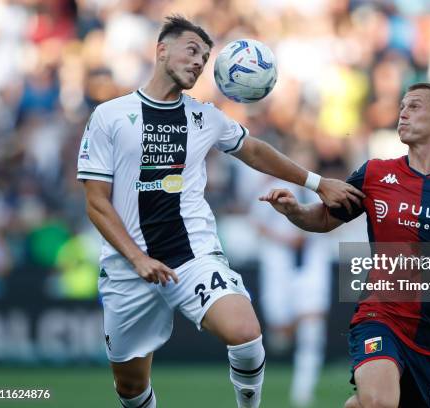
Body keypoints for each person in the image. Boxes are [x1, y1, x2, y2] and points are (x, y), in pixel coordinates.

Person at [77, 15, 363, 408]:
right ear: (161, 50)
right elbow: (96, 202)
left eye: (205, 56)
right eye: (192, 50)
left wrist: (317, 182)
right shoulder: (109, 116)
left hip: (191, 255)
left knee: (245, 331)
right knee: (130, 388)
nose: (199, 61)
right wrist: (138, 258)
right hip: (129, 267)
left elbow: (256, 151)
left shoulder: (203, 116)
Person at [260, 83, 430, 408]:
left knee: (367, 404)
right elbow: (323, 219)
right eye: (402, 106)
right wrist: (295, 211)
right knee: (379, 402)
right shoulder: (375, 173)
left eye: (415, 107)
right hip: (380, 313)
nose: (402, 113)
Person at [251, 149, 332, 407]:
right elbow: (256, 221)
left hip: (312, 263)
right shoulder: (274, 187)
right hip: (280, 265)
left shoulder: (324, 190)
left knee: (312, 329)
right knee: (280, 334)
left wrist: (308, 234)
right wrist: (285, 238)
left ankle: (303, 392)